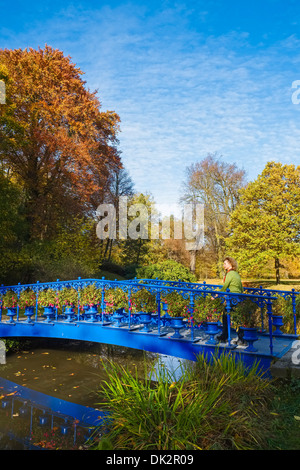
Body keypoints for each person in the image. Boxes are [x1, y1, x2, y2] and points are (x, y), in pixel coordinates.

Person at [217, 256, 244, 343]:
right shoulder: (236, 274)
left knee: (225, 316)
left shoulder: (229, 274)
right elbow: (241, 287)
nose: (223, 265)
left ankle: (224, 336)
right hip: (238, 298)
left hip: (231, 298)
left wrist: (216, 295)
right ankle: (241, 338)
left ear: (230, 264)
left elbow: (225, 287)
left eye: (225, 263)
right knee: (237, 318)